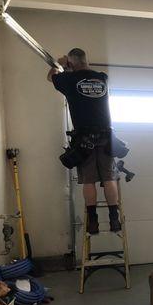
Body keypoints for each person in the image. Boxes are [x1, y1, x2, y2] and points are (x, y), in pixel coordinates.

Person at [47, 48, 121, 234]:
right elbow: (87, 74)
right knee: (109, 178)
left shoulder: (69, 80)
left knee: (89, 181)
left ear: (71, 64)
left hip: (84, 139)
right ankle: (114, 219)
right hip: (106, 137)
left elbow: (51, 76)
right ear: (86, 60)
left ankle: (93, 222)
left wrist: (60, 63)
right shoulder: (102, 78)